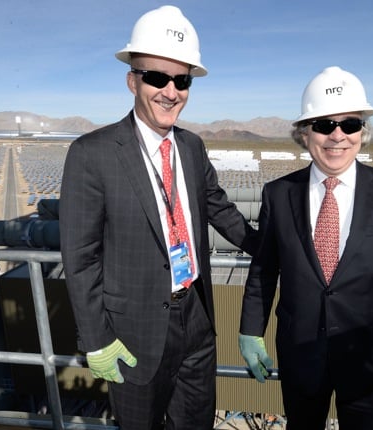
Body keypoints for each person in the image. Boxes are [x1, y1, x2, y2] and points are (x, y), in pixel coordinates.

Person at [59, 6, 257, 430]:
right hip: (133, 333)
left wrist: (271, 245)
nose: (171, 91)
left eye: (181, 80)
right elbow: (80, 258)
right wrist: (96, 339)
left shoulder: (191, 146)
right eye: (156, 78)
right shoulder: (91, 154)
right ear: (132, 80)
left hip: (198, 320)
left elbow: (219, 208)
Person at [238, 66, 373, 429]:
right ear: (303, 134)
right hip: (301, 353)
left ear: (363, 132)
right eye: (324, 125)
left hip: (371, 358)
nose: (337, 137)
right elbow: (264, 271)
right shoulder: (279, 194)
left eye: (350, 124)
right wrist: (251, 330)